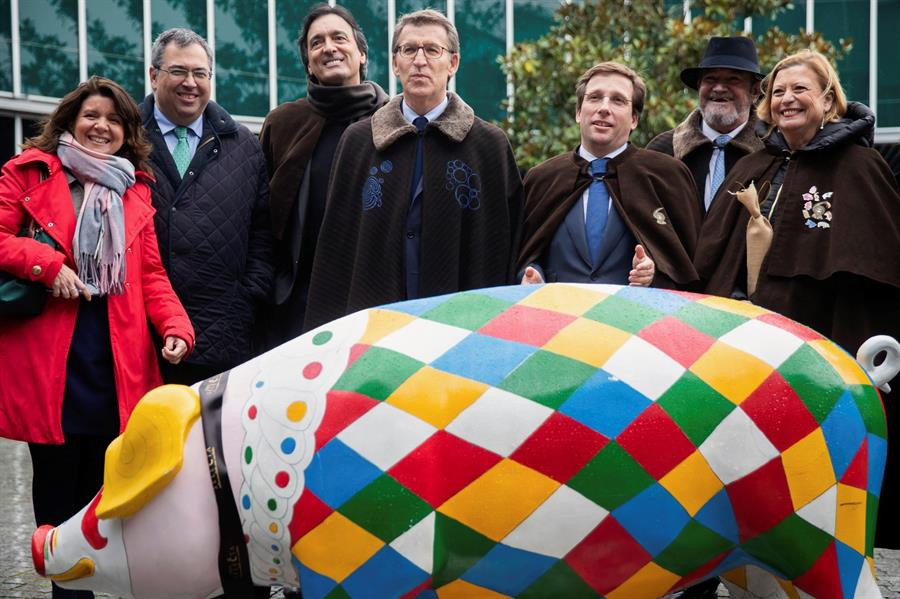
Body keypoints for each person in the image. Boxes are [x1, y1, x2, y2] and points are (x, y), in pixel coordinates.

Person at [694, 50, 900, 548]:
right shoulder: (757, 163)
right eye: (779, 91)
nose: (787, 99)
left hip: (818, 347)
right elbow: (712, 254)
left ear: (828, 99)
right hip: (743, 346)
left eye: (801, 89)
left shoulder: (859, 166)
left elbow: (874, 264)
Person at [0, 76, 194, 599]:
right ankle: (67, 590)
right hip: (54, 362)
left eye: (113, 119)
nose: (101, 126)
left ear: (127, 131)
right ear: (69, 120)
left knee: (103, 492)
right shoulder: (28, 173)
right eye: (91, 115)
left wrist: (175, 326)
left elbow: (150, 273)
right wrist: (46, 264)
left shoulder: (136, 187)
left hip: (117, 363)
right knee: (58, 490)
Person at [303, 9, 522, 330]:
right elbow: (336, 247)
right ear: (395, 63)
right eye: (409, 50)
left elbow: (503, 246)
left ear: (453, 63)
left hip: (459, 323)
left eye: (433, 50)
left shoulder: (488, 145)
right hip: (374, 320)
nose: (420, 60)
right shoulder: (360, 140)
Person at [140, 28, 273, 384]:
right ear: (154, 75)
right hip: (141, 338)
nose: (190, 83)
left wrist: (246, 298)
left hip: (221, 338)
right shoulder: (126, 138)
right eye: (178, 71)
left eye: (200, 73)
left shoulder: (244, 145)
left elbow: (262, 234)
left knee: (210, 440)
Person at [259, 4, 387, 347]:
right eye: (317, 43)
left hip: (375, 304)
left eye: (338, 38)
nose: (328, 47)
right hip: (296, 307)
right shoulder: (283, 124)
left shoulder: (395, 121)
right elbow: (258, 217)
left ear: (361, 54)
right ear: (309, 63)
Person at [517, 62, 701, 289]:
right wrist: (533, 277)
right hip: (558, 319)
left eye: (618, 100)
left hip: (636, 321)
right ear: (578, 112)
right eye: (594, 97)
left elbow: (690, 266)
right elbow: (525, 254)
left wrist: (654, 275)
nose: (604, 108)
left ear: (634, 118)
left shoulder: (668, 176)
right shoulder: (542, 179)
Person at [646, 36, 764, 216]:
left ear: (754, 91)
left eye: (733, 80)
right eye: (710, 79)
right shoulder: (662, 149)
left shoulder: (772, 151)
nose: (718, 88)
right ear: (699, 86)